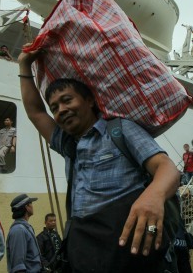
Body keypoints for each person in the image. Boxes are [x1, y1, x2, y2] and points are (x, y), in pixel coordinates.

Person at [18, 45, 180, 271]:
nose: (61, 110)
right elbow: (36, 112)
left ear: (90, 101)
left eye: (67, 100)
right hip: (87, 253)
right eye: (55, 107)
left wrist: (154, 195)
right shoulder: (68, 145)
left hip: (131, 253)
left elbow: (167, 168)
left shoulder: (120, 130)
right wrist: (24, 65)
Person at [6, 194, 42, 273]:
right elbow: (18, 266)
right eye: (31, 204)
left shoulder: (26, 228)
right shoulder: (19, 230)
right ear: (27, 207)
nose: (32, 206)